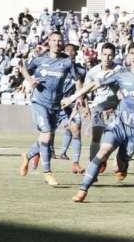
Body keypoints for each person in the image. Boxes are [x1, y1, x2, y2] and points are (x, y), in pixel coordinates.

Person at [61, 42, 134, 202]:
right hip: (119, 122)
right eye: (132, 53)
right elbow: (94, 84)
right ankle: (83, 190)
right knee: (103, 152)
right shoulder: (121, 73)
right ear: (127, 56)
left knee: (117, 167)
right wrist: (72, 98)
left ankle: (123, 167)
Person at [19, 31, 78, 186]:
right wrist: (30, 80)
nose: (57, 43)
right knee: (46, 136)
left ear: (63, 43)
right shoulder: (39, 60)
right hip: (39, 102)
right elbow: (23, 68)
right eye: (54, 40)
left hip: (55, 106)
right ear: (49, 42)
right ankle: (48, 173)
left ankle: (27, 155)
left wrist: (76, 99)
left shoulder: (67, 62)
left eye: (60, 41)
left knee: (44, 138)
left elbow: (78, 80)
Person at [46, 44, 88, 175]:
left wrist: (85, 106)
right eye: (67, 50)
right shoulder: (57, 67)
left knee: (76, 129)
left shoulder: (81, 70)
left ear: (76, 53)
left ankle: (75, 163)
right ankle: (36, 154)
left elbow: (83, 89)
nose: (70, 52)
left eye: (72, 50)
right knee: (48, 132)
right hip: (56, 103)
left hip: (71, 105)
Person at [84, 42, 123, 176]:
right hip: (100, 106)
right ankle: (92, 169)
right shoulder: (93, 71)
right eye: (105, 54)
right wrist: (86, 106)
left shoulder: (120, 70)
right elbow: (85, 89)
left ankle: (104, 157)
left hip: (117, 107)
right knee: (96, 137)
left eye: (110, 55)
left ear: (114, 56)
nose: (107, 57)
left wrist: (115, 108)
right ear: (100, 55)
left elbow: (124, 92)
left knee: (118, 138)